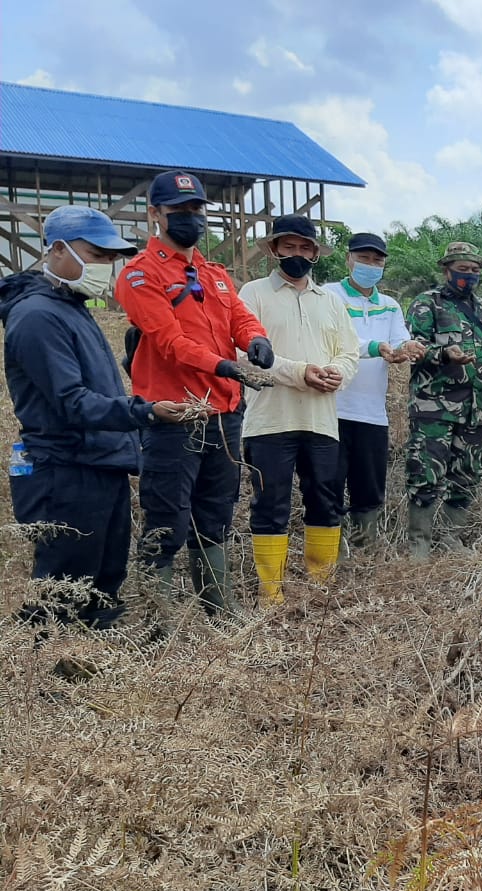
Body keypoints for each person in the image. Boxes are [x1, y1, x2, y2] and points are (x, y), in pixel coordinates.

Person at [1, 206, 193, 631]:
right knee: (64, 588)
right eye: (96, 254)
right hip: (65, 470)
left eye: (110, 258)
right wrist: (145, 411)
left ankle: (92, 657)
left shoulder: (70, 306)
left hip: (99, 462)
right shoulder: (38, 316)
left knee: (103, 582)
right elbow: (72, 402)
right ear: (57, 250)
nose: (105, 266)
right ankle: (45, 664)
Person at [114, 170, 273, 617]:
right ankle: (157, 620)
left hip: (224, 414)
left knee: (216, 514)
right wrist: (224, 365)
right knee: (166, 518)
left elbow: (239, 316)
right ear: (155, 213)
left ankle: (218, 609)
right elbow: (168, 341)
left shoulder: (213, 273)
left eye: (196, 208)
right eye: (179, 209)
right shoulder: (140, 275)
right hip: (176, 415)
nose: (190, 217)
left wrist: (255, 338)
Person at [238, 215, 360, 605]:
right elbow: (244, 355)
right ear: (274, 250)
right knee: (270, 503)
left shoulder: (331, 302)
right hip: (269, 421)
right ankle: (270, 593)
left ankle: (319, 586)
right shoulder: (253, 294)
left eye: (305, 248)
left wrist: (337, 373)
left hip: (321, 421)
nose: (298, 254)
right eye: (289, 246)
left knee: (325, 499)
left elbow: (350, 352)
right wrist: (300, 372)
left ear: (315, 254)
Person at [322, 232, 422, 548]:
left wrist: (406, 349)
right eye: (363, 258)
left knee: (369, 483)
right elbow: (334, 340)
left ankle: (365, 547)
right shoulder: (328, 295)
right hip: (331, 407)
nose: (370, 265)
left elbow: (398, 340)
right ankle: (332, 548)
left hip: (372, 411)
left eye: (377, 260)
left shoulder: (390, 306)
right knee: (328, 482)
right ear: (348, 259)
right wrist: (376, 347)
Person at [403, 241, 482, 555]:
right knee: (425, 472)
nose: (469, 275)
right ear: (447, 270)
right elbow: (413, 348)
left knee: (467, 473)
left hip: (473, 407)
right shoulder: (426, 304)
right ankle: (419, 544)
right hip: (434, 406)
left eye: (474, 270)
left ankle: (451, 539)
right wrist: (444, 353)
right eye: (462, 269)